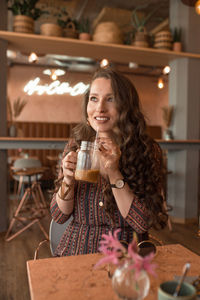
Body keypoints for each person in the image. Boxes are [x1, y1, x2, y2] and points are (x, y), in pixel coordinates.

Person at [50, 67, 168, 257]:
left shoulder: (146, 150)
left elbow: (142, 223)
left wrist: (114, 172)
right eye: (94, 98)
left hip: (126, 255)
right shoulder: (76, 146)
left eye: (110, 99)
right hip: (76, 252)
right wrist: (68, 182)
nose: (100, 108)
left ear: (126, 107)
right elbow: (58, 215)